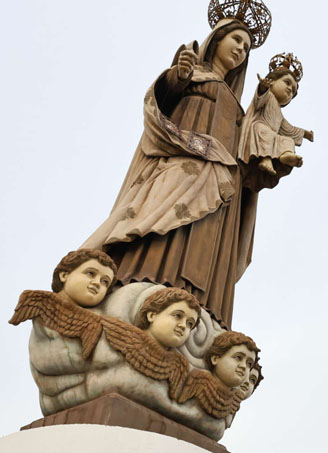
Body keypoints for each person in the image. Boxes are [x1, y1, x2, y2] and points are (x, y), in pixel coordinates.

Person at [83, 17, 264, 328]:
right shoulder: (191, 72)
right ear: (216, 40)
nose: (241, 50)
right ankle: (145, 290)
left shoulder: (238, 108)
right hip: (183, 169)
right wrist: (178, 77)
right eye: (236, 40)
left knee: (203, 247)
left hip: (221, 190)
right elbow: (161, 103)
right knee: (161, 226)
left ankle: (199, 314)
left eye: (246, 47)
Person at [239, 52, 313, 179]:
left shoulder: (279, 112)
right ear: (272, 81)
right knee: (264, 131)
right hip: (257, 128)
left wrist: (305, 133)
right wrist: (262, 87)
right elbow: (258, 101)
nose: (290, 89)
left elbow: (288, 129)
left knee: (287, 140)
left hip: (271, 136)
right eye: (287, 82)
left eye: (293, 91)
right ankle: (265, 159)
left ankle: (286, 155)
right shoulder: (267, 95)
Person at [134, 288, 201, 348]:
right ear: (152, 315)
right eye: (177, 316)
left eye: (189, 324)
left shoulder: (178, 362)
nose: (183, 325)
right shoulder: (125, 341)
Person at [52, 249, 117, 308]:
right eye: (90, 273)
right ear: (64, 275)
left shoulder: (101, 321)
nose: (97, 283)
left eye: (105, 282)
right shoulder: (42, 305)